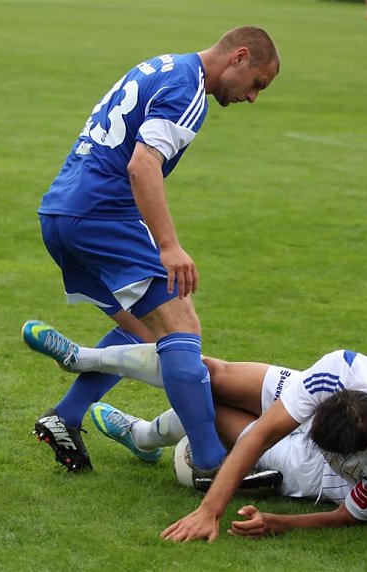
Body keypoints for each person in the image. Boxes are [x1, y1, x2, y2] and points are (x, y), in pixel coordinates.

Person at [29, 27, 281, 475]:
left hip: (62, 213)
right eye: (257, 83)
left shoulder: (163, 65)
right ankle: (209, 460)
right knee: (181, 325)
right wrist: (169, 246)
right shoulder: (189, 89)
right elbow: (142, 165)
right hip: (103, 214)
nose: (253, 97)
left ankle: (66, 416)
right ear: (239, 57)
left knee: (146, 332)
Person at [23, 321, 367, 540]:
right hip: (337, 410)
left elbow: (347, 516)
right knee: (209, 376)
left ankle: (144, 434)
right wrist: (209, 510)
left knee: (215, 412)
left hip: (329, 480)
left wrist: (280, 522)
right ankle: (84, 358)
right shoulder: (340, 371)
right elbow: (262, 434)